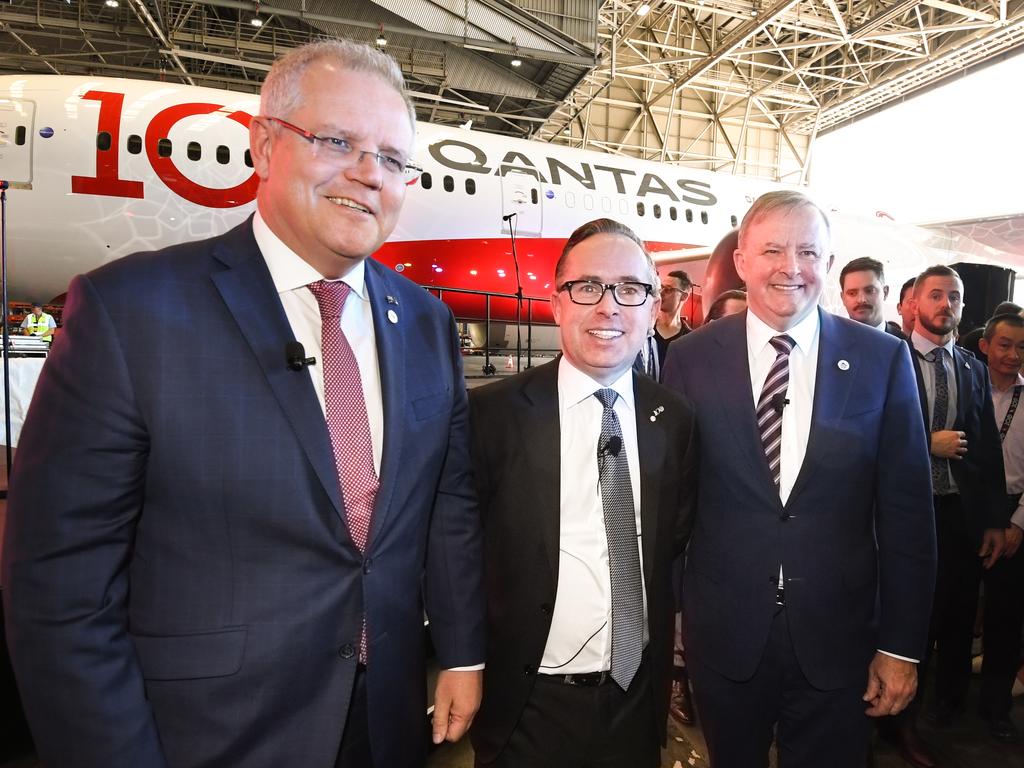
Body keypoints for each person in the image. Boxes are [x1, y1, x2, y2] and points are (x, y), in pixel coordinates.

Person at [2, 39, 484, 768]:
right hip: (204, 735)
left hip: (385, 726)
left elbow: (445, 505)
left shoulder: (425, 322)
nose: (368, 174)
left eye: (392, 158)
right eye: (337, 141)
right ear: (263, 145)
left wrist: (460, 651)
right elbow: (61, 591)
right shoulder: (130, 311)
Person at [661, 191, 936, 768]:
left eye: (808, 251)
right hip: (725, 641)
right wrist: (672, 626)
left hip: (840, 644)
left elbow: (908, 515)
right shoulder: (690, 360)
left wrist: (900, 647)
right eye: (772, 250)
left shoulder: (881, 360)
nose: (790, 267)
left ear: (829, 265)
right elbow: (674, 508)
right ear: (741, 261)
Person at [469, 218, 698, 768]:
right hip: (526, 706)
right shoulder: (490, 415)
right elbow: (459, 553)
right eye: (588, 287)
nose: (609, 306)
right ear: (557, 303)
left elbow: (675, 541)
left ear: (652, 309)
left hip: (635, 703)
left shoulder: (675, 420)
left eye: (630, 289)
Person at [904, 266, 1007, 738]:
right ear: (915, 302)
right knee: (913, 616)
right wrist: (926, 442)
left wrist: (993, 521)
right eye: (937, 296)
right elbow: (870, 434)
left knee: (959, 615)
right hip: (908, 511)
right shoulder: (892, 358)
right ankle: (899, 716)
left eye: (956, 298)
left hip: (960, 514)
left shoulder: (972, 366)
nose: (947, 305)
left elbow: (986, 446)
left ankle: (946, 711)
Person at [977, 313, 1024, 743]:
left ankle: (995, 707)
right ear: (986, 346)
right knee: (952, 612)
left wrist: (1016, 523)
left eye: (1021, 347)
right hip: (967, 510)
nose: (1012, 355)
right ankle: (946, 699)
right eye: (1004, 344)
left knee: (1006, 620)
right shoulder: (970, 388)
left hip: (1014, 515)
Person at [634, 269, 692, 380]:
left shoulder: (689, 339)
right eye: (661, 287)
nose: (662, 293)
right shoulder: (645, 330)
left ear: (684, 296)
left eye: (669, 289)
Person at [839, 257, 902, 336]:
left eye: (869, 291)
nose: (861, 300)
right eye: (852, 293)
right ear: (843, 298)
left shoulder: (905, 345)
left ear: (885, 292)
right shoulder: (826, 343)